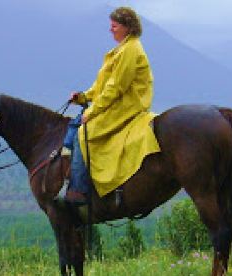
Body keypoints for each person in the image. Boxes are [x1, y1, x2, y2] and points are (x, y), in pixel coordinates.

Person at [59, 7, 161, 206]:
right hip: (116, 102)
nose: (110, 30)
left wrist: (92, 111)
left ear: (127, 27)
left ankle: (78, 189)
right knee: (73, 126)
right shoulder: (122, 49)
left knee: (83, 133)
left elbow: (116, 88)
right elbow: (102, 86)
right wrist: (83, 97)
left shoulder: (130, 50)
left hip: (126, 106)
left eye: (114, 26)